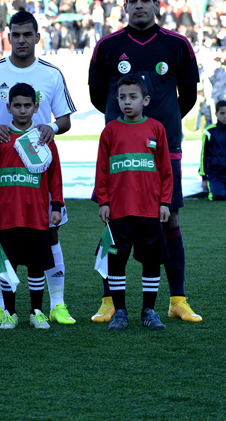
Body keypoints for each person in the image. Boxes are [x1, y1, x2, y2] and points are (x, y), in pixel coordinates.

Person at [88, 0, 201, 323]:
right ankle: (109, 301)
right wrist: (123, 127)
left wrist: (159, 127)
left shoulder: (177, 45)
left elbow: (189, 95)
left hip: (164, 147)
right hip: (121, 150)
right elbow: (97, 94)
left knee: (170, 217)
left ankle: (177, 299)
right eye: (133, 0)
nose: (139, 5)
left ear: (156, 4)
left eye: (145, 0)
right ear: (125, 5)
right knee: (113, 220)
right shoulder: (108, 45)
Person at [0, 9, 77, 326]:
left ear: (37, 38)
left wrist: (51, 130)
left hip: (38, 175)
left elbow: (65, 120)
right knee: (0, 240)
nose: (21, 40)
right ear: (8, 36)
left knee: (49, 237)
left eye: (27, 35)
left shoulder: (51, 74)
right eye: (15, 35)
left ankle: (55, 305)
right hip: (6, 175)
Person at [0, 83, 64, 330]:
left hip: (36, 215)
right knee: (8, 265)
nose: (22, 110)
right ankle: (9, 313)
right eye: (17, 105)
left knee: (36, 266)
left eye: (27, 105)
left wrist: (57, 206)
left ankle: (36, 311)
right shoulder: (1, 139)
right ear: (8, 107)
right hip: (7, 216)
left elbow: (55, 177)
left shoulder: (44, 139)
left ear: (36, 107)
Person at [94, 75, 172, 331]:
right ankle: (120, 312)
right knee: (117, 261)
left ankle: (149, 311)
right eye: (122, 97)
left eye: (133, 97)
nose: (127, 102)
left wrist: (164, 203)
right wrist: (103, 201)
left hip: (149, 210)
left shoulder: (156, 128)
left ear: (145, 100)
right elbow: (102, 170)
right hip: (118, 212)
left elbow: (165, 170)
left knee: (151, 261)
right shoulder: (110, 131)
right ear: (116, 100)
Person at [200, 100, 226, 200]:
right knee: (218, 196)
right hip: (216, 173)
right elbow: (203, 155)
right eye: (222, 113)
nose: (225, 116)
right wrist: (204, 178)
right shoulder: (209, 131)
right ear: (216, 114)